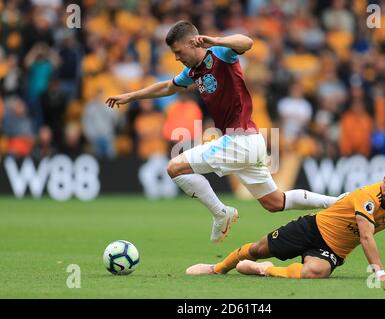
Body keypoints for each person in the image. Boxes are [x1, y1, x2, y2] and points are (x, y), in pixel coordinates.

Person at [106, 21, 341, 243]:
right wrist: (131, 96)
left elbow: (247, 42)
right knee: (275, 201)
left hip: (240, 140)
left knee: (174, 167)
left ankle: (221, 213)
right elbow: (168, 86)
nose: (176, 57)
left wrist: (216, 40)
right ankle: (338, 201)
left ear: (192, 42)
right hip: (249, 142)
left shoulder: (220, 53)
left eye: (178, 51)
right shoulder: (193, 71)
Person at [186, 162, 385, 281]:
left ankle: (265, 270)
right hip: (311, 228)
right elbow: (366, 236)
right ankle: (216, 268)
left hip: (334, 249)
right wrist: (379, 273)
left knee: (315, 273)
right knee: (258, 249)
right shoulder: (368, 197)